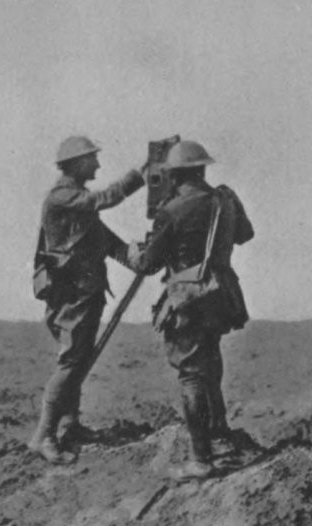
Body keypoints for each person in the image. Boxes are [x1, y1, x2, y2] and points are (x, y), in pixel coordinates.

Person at [123, 140, 254, 479]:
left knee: (191, 374)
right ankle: (220, 434)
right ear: (202, 169)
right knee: (210, 360)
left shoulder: (172, 210)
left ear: (173, 175)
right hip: (221, 293)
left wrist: (134, 251)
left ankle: (201, 458)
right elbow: (245, 234)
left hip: (188, 299)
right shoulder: (225, 199)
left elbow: (149, 264)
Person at [28, 136, 146, 464]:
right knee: (71, 363)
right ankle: (44, 435)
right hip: (71, 296)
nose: (97, 164)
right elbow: (105, 199)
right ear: (76, 163)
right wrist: (141, 174)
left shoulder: (78, 206)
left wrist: (137, 258)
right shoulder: (62, 197)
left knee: (77, 359)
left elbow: (106, 242)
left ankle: (70, 425)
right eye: (92, 159)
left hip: (85, 294)